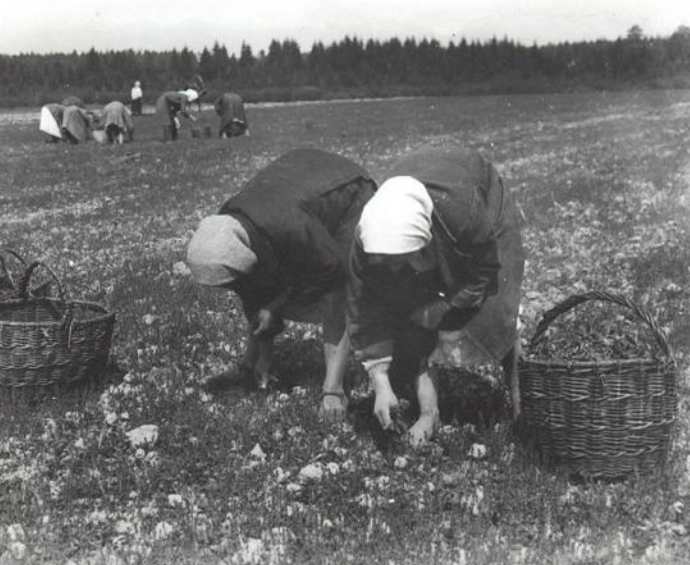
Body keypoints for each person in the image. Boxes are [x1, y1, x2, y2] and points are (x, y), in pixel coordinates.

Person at [346, 146, 525, 446]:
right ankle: (430, 413)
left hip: (476, 197)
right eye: (384, 261)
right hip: (424, 201)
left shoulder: (464, 216)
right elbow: (363, 310)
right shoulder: (366, 238)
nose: (391, 269)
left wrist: (443, 307)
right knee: (415, 317)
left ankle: (522, 409)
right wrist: (380, 384)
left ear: (422, 244)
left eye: (398, 260)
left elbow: (483, 274)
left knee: (499, 313)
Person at [186, 149, 377, 422]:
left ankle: (333, 389)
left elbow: (334, 274)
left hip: (348, 190)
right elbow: (250, 285)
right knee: (269, 289)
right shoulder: (227, 226)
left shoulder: (291, 227)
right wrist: (264, 331)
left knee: (335, 298)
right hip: (299, 188)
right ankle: (254, 366)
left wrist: (276, 304)